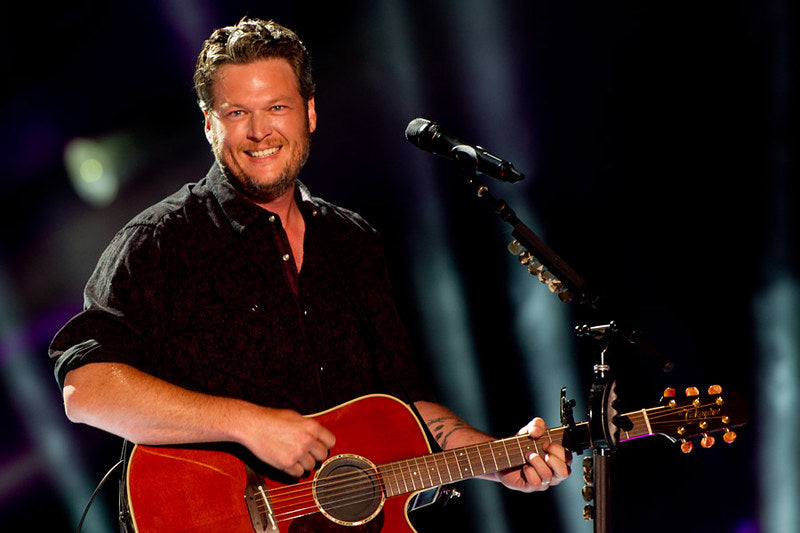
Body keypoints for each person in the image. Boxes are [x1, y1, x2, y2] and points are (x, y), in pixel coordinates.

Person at [49, 16, 571, 527]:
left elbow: (405, 406)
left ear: (310, 113)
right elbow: (85, 390)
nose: (259, 131)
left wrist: (500, 458)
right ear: (209, 125)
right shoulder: (159, 241)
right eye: (237, 112)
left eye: (277, 107)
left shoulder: (352, 241)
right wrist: (248, 424)